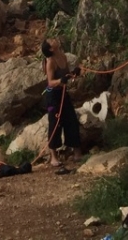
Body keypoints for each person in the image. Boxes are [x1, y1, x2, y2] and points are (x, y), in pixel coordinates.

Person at [41, 37, 82, 170]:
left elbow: (67, 74)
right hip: (52, 95)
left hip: (63, 93)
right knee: (55, 123)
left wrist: (74, 73)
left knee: (71, 119)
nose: (54, 40)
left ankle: (77, 152)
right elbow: (50, 82)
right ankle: (53, 157)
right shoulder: (50, 61)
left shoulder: (63, 56)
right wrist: (60, 81)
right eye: (51, 41)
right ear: (51, 49)